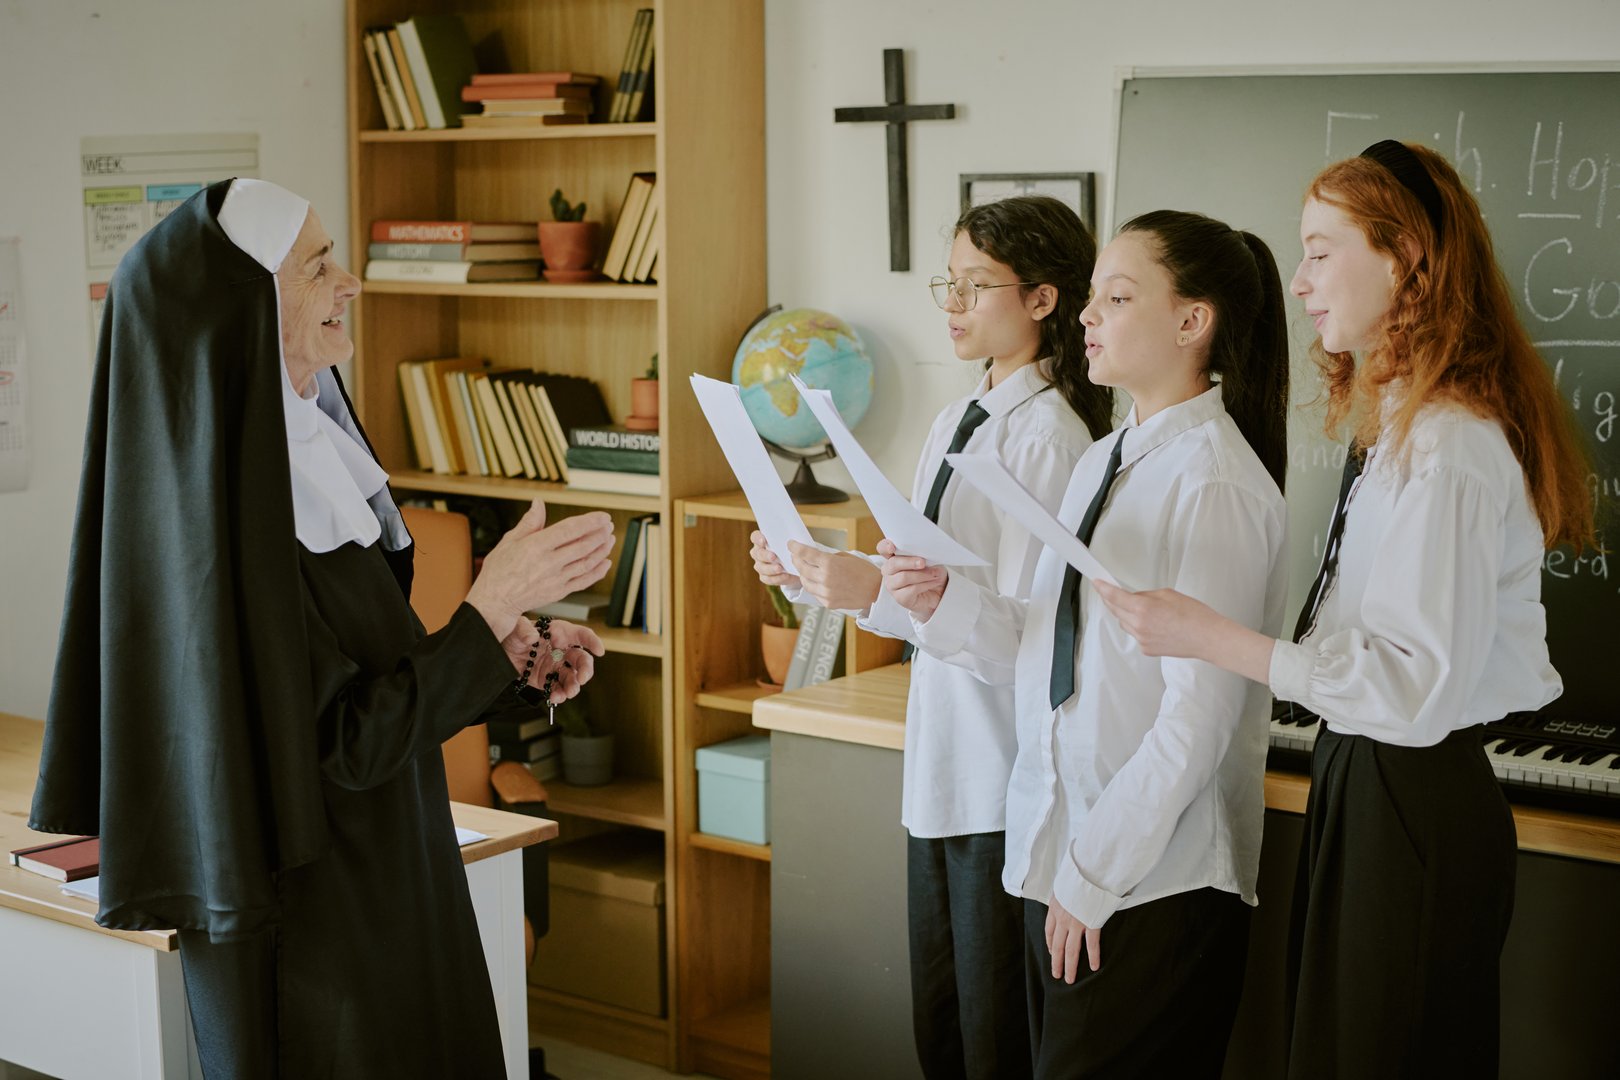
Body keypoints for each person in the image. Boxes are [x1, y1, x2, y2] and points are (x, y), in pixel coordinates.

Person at [29, 178, 616, 1078]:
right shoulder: (225, 532)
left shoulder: (307, 455)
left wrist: (504, 658)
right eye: (316, 267)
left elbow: (375, 681)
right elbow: (340, 746)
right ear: (246, 312)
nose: (350, 283)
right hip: (313, 925)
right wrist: (488, 604)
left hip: (392, 867)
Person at [1094, 141, 1595, 1077]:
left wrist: (1214, 638)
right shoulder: (1406, 421)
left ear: (1403, 257)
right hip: (1367, 781)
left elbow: (1409, 688)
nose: (1299, 282)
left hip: (1409, 789)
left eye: (1322, 251)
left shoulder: (1447, 445)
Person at [883, 209, 1291, 1077]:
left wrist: (1094, 876)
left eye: (1115, 296)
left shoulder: (1216, 482)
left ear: (1192, 322)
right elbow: (1039, 651)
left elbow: (1197, 724)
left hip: (1149, 879)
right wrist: (943, 598)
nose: (1086, 317)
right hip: (1062, 862)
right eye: (1092, 296)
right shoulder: (1108, 458)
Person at [750, 195, 1111, 1079]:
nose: (952, 303)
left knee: (994, 1044)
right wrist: (825, 578)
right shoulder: (957, 422)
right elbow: (922, 596)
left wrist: (884, 589)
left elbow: (1029, 645)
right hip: (941, 769)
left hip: (1003, 778)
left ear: (1043, 300)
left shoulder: (1053, 437)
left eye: (976, 285)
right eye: (947, 282)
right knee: (942, 1032)